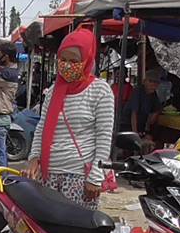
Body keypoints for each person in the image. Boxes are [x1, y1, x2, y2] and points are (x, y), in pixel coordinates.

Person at [24, 28, 114, 210]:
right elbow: (42, 127)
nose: (66, 65)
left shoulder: (100, 91)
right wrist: (34, 157)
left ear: (87, 60)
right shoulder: (52, 92)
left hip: (79, 180)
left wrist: (96, 176)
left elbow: (104, 137)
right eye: (63, 60)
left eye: (74, 61)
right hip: (47, 176)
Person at [124, 69, 161, 139]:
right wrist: (135, 134)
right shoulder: (138, 92)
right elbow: (133, 114)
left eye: (156, 82)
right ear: (144, 82)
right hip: (127, 126)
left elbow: (156, 110)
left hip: (141, 127)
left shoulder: (153, 95)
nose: (153, 84)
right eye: (150, 81)